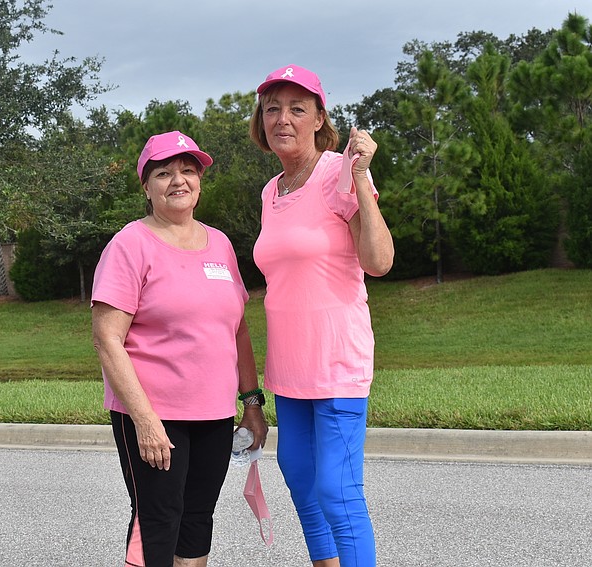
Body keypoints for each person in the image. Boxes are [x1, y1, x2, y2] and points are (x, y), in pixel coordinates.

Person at [91, 130, 269, 567]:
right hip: (154, 414)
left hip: (213, 414)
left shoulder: (220, 244)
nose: (178, 180)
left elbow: (238, 329)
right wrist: (146, 422)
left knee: (196, 520)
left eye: (188, 170)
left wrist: (251, 402)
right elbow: (107, 338)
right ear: (146, 187)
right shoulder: (130, 245)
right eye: (164, 172)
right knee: (157, 522)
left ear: (201, 181)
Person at [249, 64, 395, 567]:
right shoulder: (272, 191)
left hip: (336, 362)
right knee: (300, 478)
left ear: (319, 118)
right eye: (272, 108)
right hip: (290, 368)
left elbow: (378, 261)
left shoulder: (339, 172)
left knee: (337, 489)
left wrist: (359, 177)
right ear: (261, 121)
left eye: (296, 108)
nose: (282, 118)